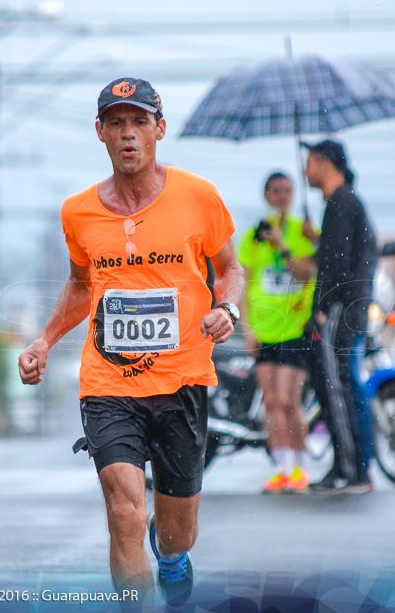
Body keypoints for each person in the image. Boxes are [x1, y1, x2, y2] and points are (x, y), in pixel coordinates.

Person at [17, 78, 243, 604]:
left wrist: (226, 308)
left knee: (175, 529)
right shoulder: (78, 212)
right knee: (123, 508)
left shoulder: (198, 196)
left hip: (182, 379)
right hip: (108, 383)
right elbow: (81, 283)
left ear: (159, 130)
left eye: (139, 122)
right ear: (99, 132)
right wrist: (44, 341)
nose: (128, 134)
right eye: (116, 123)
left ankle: (170, 555)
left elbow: (230, 269)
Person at [302, 139, 378, 494]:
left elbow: (335, 265)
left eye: (309, 162)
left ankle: (351, 469)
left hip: (338, 311)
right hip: (350, 310)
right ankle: (354, 467)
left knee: (335, 388)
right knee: (345, 385)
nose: (305, 170)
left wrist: (321, 310)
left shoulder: (340, 203)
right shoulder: (347, 203)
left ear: (324, 162)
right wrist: (317, 239)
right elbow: (338, 252)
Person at [236, 172, 317, 494]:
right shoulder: (254, 235)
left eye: (287, 190)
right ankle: (282, 469)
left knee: (288, 400)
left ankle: (301, 467)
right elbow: (243, 280)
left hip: (294, 326)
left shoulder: (304, 232)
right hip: (263, 328)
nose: (282, 196)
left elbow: (306, 271)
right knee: (270, 400)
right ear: (266, 196)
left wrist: (283, 245)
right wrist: (247, 327)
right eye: (275, 191)